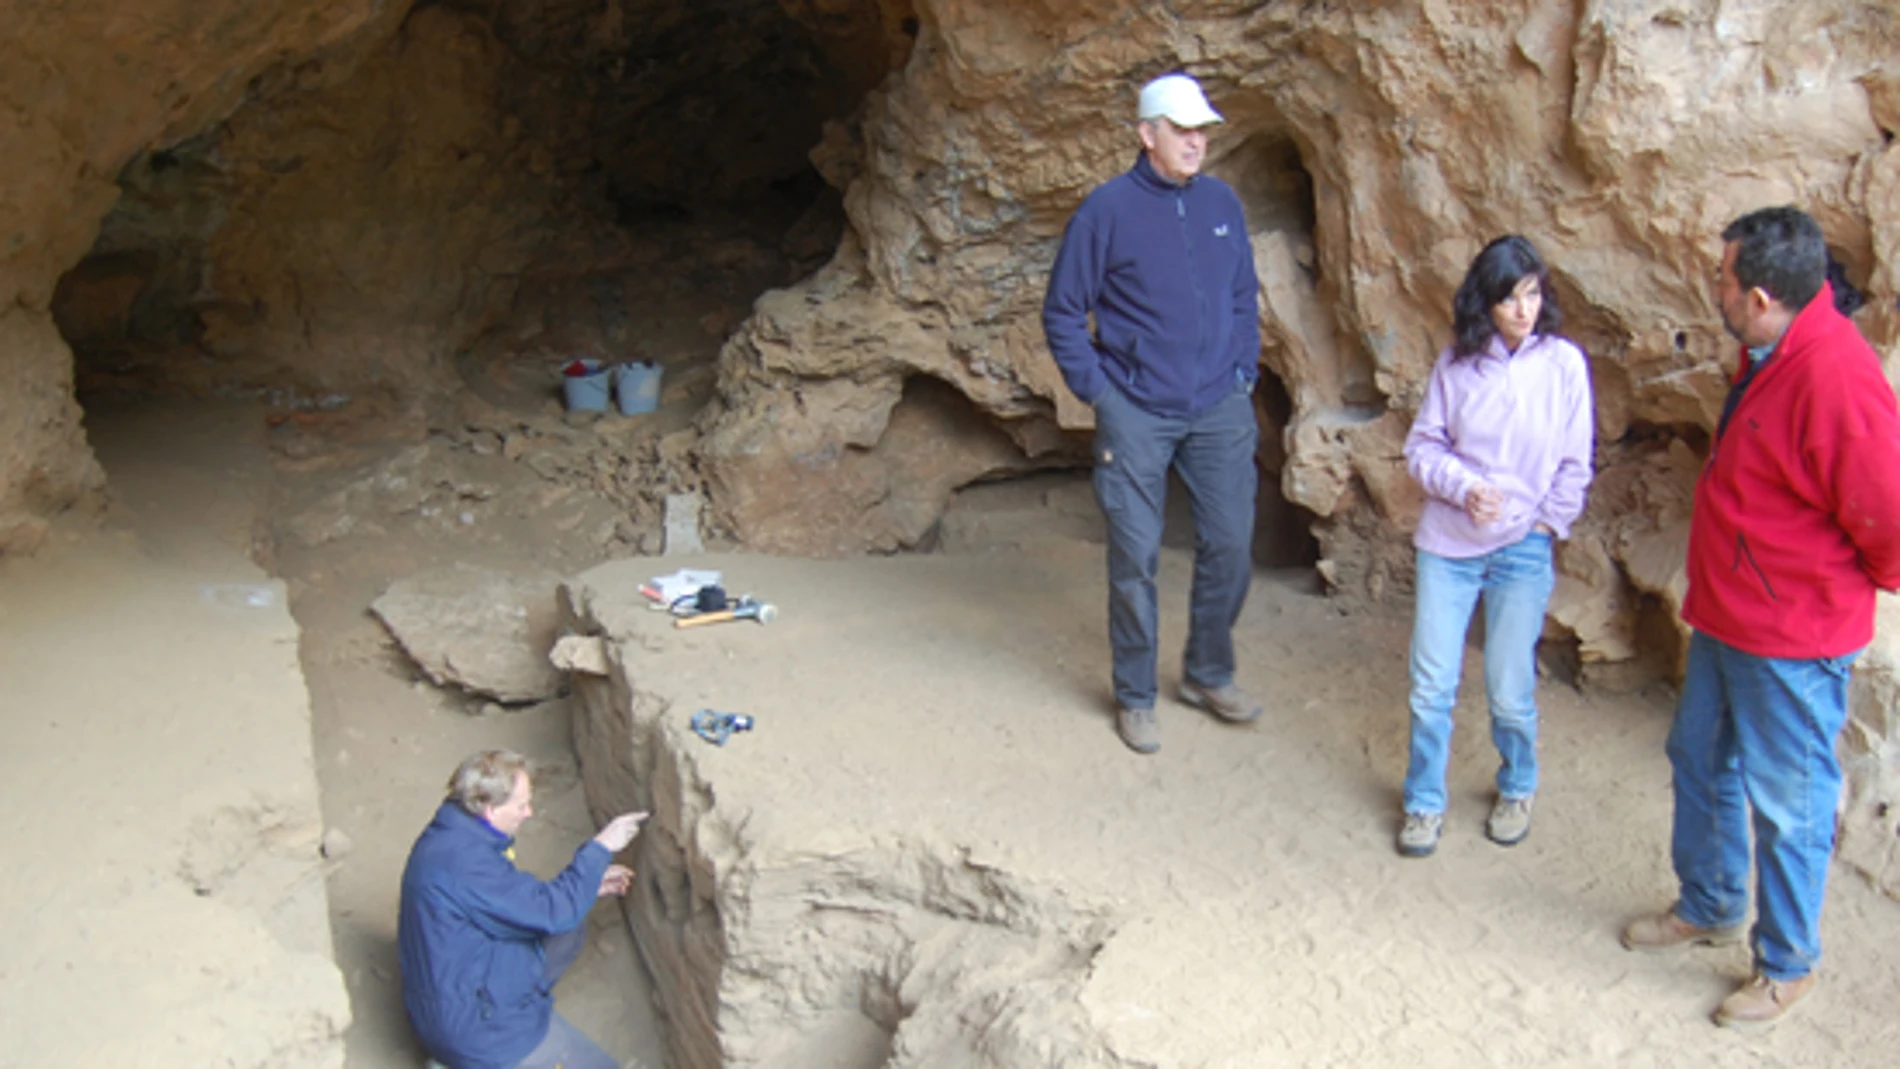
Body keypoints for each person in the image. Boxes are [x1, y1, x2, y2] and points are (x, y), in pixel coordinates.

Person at [1621, 206, 1900, 1032]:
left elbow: (1886, 512)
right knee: (1701, 754)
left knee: (1791, 798)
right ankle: (1710, 901)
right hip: (1734, 610)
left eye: (1725, 279)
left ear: (1764, 297)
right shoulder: (1774, 346)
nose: (1715, 287)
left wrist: (1835, 591)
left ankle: (1787, 964)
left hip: (1792, 628)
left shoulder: (1834, 375)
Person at [1041, 71, 1264, 754]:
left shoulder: (1221, 203)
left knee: (1230, 542)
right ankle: (1136, 694)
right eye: (1182, 129)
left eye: (1202, 130)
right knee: (1135, 557)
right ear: (1147, 135)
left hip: (1217, 404)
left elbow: (1241, 297)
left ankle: (1206, 672)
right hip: (1136, 406)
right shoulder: (1105, 211)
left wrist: (1242, 372)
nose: (1196, 141)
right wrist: (1102, 393)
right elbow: (1061, 311)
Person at [1397, 235, 1594, 858]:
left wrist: (1545, 525)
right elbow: (1421, 449)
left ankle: (1518, 784)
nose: (1522, 309)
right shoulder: (1455, 365)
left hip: (1522, 548)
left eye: (1532, 293)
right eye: (1508, 297)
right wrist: (1464, 489)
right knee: (1432, 684)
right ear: (1485, 302)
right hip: (1449, 547)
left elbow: (1574, 460)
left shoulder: (1563, 364)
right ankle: (1424, 802)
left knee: (1510, 686)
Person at [399, 749, 649, 1069]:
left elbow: (518, 901)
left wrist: (587, 885)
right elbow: (551, 911)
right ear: (490, 809)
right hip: (479, 1032)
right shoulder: (465, 863)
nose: (529, 812)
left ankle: (516, 1008)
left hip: (449, 992)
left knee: (569, 930)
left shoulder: (455, 832)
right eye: (521, 805)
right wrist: (601, 848)